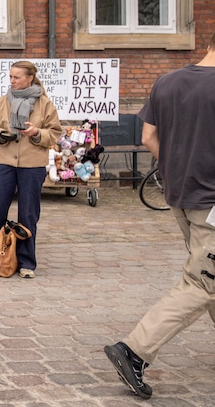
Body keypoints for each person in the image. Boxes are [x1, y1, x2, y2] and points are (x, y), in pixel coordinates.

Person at [103, 31, 215, 400]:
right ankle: (135, 350)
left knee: (207, 271)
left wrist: (178, 164)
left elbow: (149, 137)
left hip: (181, 194)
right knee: (202, 281)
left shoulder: (167, 81)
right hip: (213, 201)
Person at [0, 61, 61, 278]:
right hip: (4, 162)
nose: (12, 80)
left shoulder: (45, 104)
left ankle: (26, 263)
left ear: (30, 78)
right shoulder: (2, 102)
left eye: (17, 77)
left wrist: (37, 133)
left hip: (32, 164)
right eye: (11, 76)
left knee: (28, 213)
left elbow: (55, 133)